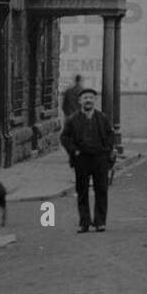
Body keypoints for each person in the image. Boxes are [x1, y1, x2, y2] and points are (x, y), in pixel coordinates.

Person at [60, 87, 115, 232]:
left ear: (95, 100)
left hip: (99, 158)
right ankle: (84, 222)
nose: (88, 100)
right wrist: (75, 151)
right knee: (82, 191)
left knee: (101, 190)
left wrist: (107, 150)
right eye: (85, 98)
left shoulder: (102, 118)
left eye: (91, 97)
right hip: (82, 159)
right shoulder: (73, 120)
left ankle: (100, 222)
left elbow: (110, 135)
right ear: (80, 101)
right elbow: (64, 137)